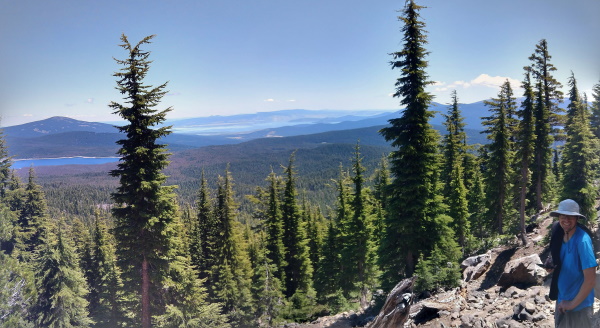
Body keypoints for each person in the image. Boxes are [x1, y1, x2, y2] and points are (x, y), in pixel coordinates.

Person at [547, 199, 596, 327]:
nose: (566, 220)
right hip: (562, 299)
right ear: (558, 217)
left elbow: (590, 279)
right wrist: (551, 265)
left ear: (577, 219)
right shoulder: (559, 234)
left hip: (580, 306)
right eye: (563, 216)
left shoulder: (582, 241)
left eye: (571, 217)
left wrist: (572, 304)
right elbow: (560, 259)